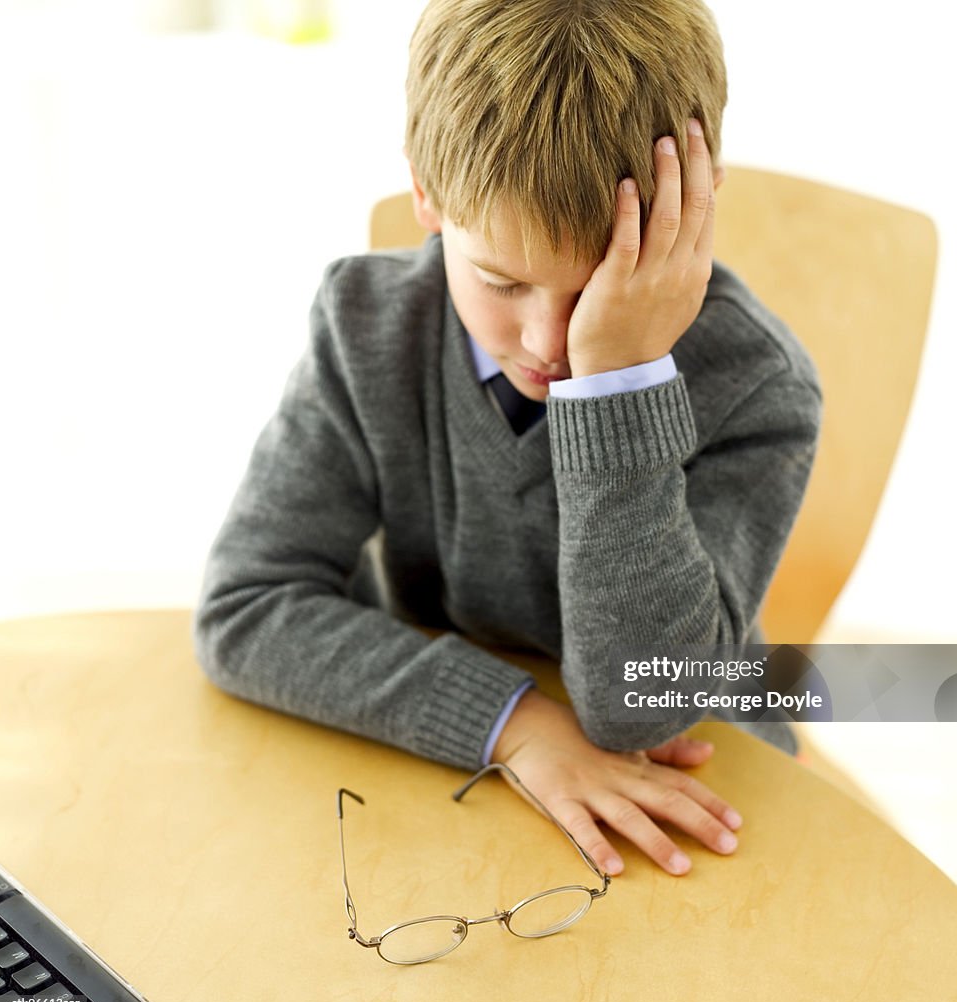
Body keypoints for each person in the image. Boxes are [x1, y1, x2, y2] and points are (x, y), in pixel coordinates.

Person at [194, 0, 821, 880]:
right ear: (425, 193)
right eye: (503, 281)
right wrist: (516, 723)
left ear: (700, 207)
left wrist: (618, 381)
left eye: (603, 286)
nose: (551, 343)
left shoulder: (758, 385)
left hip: (687, 789)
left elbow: (644, 707)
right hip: (442, 773)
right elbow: (246, 607)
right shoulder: (367, 328)